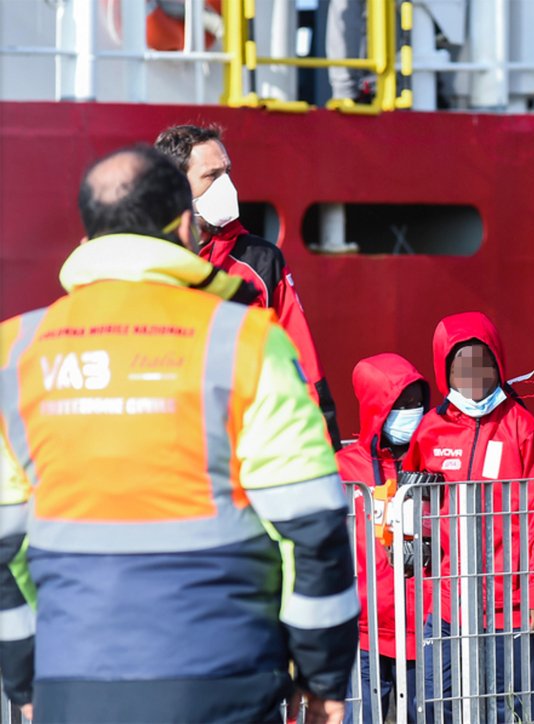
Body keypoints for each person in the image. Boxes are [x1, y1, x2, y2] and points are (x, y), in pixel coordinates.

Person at [0, 146, 359, 724]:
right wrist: (321, 678)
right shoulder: (247, 341)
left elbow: (4, 553)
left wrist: (25, 680)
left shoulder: (14, 354)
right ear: (186, 224)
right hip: (225, 683)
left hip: (74, 688)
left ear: (91, 232)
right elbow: (312, 527)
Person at [403, 311, 534, 722]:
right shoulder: (429, 430)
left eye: (483, 363)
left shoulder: (522, 428)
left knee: (500, 707)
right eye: (462, 367)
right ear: (444, 370)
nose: (474, 377)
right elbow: (412, 513)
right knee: (438, 703)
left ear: (499, 364)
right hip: (448, 603)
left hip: (509, 605)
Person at [154, 124, 343, 451]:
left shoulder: (261, 261)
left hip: (244, 450)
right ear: (174, 189)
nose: (226, 185)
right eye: (211, 176)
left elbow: (302, 365)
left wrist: (326, 455)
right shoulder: (147, 263)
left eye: (228, 172)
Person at [335, 353, 431, 724]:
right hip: (363, 630)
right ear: (377, 406)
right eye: (400, 403)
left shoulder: (431, 461)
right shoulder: (343, 469)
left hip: (422, 625)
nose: (412, 411)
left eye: (417, 401)